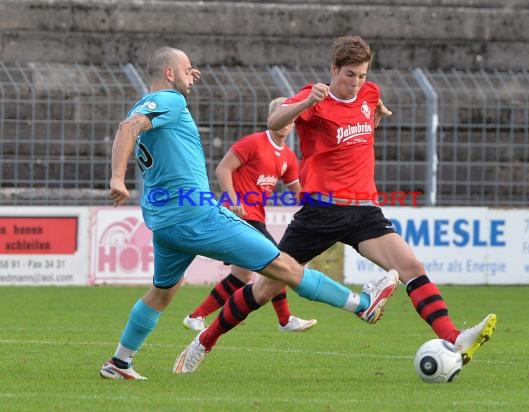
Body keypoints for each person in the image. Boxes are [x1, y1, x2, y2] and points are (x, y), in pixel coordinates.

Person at [99, 46, 399, 380]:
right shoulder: (172, 101)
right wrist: (117, 178)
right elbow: (128, 127)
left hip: (164, 221)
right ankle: (361, 306)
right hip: (197, 215)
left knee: (162, 291)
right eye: (187, 70)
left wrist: (182, 77)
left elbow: (134, 122)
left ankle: (119, 361)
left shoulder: (150, 103)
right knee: (283, 266)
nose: (193, 75)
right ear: (169, 74)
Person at [262, 35, 497, 366]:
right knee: (265, 288)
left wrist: (376, 115)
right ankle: (205, 338)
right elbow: (274, 122)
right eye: (349, 75)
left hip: (363, 210)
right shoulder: (314, 97)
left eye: (362, 75)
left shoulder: (369, 94)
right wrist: (304, 103)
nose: (357, 83)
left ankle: (454, 337)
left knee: (411, 267)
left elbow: (363, 121)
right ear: (334, 70)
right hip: (322, 211)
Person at [182, 97, 317, 333]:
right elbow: (223, 168)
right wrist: (233, 199)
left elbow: (299, 191)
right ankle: (285, 320)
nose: (286, 121)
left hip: (255, 218)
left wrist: (322, 206)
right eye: (281, 114)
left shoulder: (287, 156)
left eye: (290, 117)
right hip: (241, 217)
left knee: (243, 276)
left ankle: (196, 316)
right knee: (278, 262)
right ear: (270, 118)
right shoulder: (253, 143)